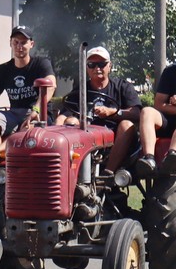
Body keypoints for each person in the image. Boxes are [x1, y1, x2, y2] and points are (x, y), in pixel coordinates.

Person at [57, 46, 162, 175]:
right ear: (86, 68)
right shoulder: (80, 91)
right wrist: (54, 131)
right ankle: (70, 173)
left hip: (118, 138)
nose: (97, 68)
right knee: (71, 121)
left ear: (110, 66)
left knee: (126, 125)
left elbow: (136, 113)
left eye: (101, 64)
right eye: (92, 65)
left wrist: (113, 112)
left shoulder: (122, 87)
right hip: (86, 137)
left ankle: (108, 173)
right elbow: (64, 114)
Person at [0, 26, 56, 168]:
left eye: (23, 42)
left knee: (31, 128)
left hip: (38, 113)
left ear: (31, 44)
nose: (19, 46)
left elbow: (51, 85)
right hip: (14, 114)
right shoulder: (3, 69)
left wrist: (36, 110)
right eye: (16, 42)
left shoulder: (41, 63)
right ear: (10, 43)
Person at [152, 60, 176, 167]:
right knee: (147, 112)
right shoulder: (170, 71)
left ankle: (172, 155)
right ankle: (148, 158)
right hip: (168, 121)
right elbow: (158, 104)